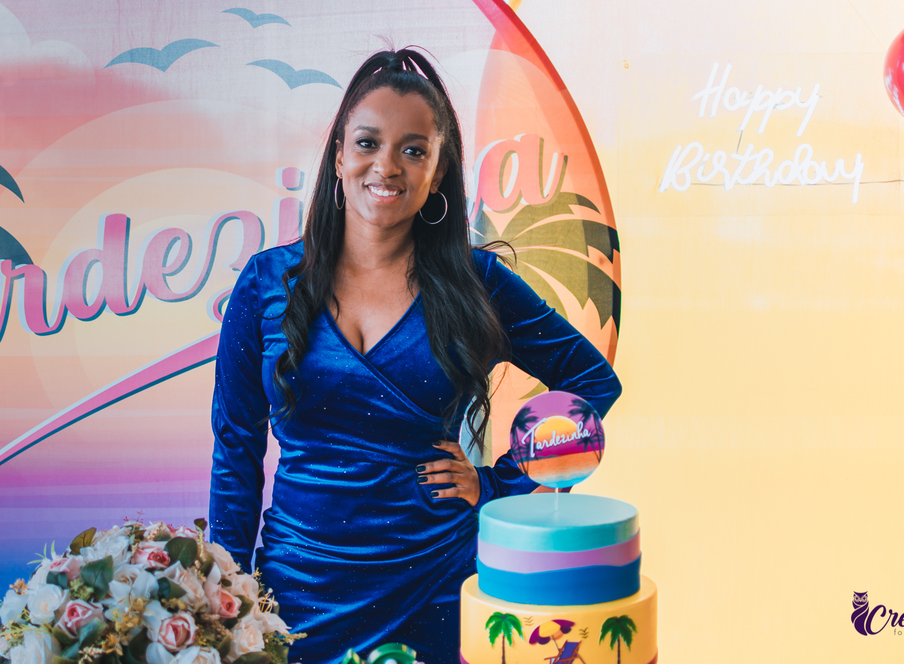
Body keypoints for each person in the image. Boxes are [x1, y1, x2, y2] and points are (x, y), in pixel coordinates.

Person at [209, 49, 621, 663]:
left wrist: (497, 482)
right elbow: (236, 451)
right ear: (340, 155)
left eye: (413, 149)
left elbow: (592, 380)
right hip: (296, 595)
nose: (387, 166)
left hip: (435, 589)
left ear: (437, 169)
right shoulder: (266, 284)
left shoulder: (477, 281)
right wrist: (227, 593)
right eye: (369, 142)